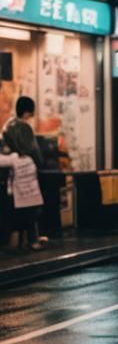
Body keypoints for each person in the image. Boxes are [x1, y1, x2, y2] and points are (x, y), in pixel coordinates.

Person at [2, 96, 44, 249]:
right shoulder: (25, 128)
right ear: (27, 112)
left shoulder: (7, 126)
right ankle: (33, 240)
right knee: (33, 207)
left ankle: (14, 240)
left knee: (14, 208)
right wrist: (40, 163)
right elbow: (34, 151)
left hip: (11, 173)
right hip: (26, 171)